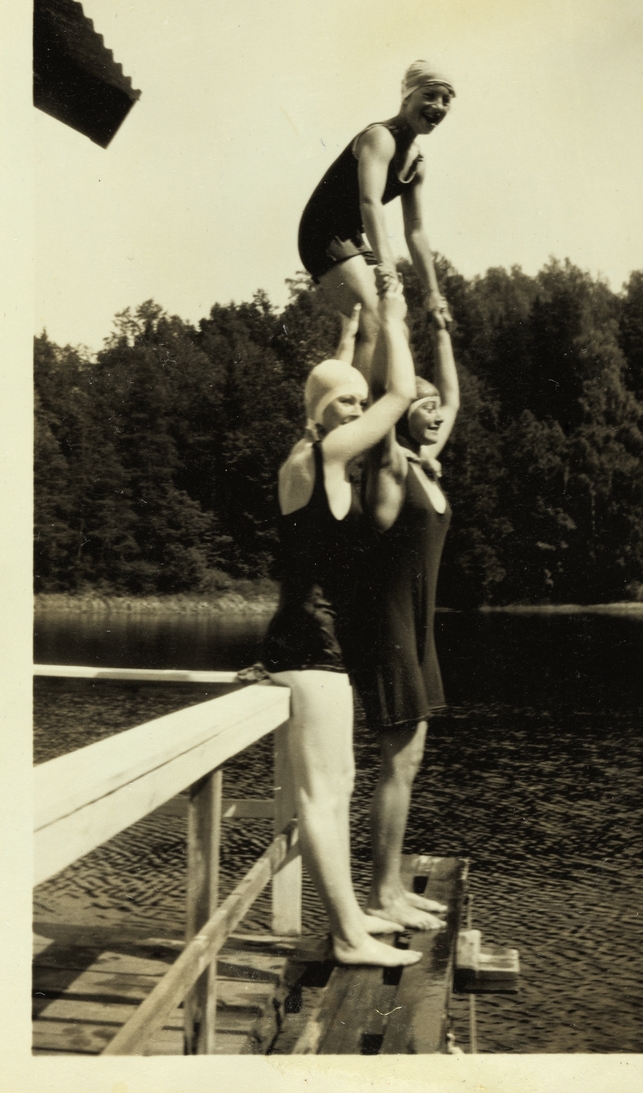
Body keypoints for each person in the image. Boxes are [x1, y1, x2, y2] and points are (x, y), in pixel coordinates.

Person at [260, 282, 423, 967]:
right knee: (324, 797)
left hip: (306, 645)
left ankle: (353, 917)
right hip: (313, 648)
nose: (357, 412)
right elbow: (398, 397)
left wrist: (351, 341)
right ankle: (349, 936)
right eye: (344, 405)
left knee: (338, 787)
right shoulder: (323, 457)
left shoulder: (304, 455)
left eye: (355, 402)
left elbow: (332, 391)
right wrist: (394, 322)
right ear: (324, 415)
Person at [351, 304, 460, 930]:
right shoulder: (391, 464)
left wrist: (442, 332)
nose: (434, 410)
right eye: (421, 405)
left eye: (434, 407)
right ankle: (380, 895)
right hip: (387, 626)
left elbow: (454, 398)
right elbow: (383, 396)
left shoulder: (428, 464)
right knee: (397, 759)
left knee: (411, 759)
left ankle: (390, 885)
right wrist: (391, 322)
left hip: (418, 629)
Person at [298, 60, 456, 381]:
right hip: (323, 231)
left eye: (446, 99)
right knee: (372, 319)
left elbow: (416, 232)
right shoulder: (380, 137)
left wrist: (433, 294)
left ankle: (380, 416)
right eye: (429, 95)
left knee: (396, 325)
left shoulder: (418, 164)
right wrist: (388, 268)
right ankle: (360, 417)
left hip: (352, 236)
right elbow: (370, 203)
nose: (437, 106)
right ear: (406, 97)